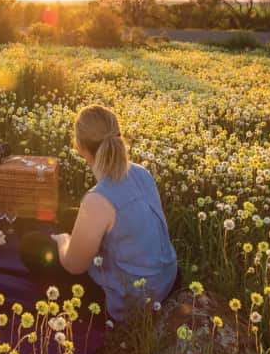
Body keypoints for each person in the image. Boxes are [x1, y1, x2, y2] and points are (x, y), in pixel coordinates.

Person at [51, 104, 178, 320]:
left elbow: (74, 266)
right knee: (68, 215)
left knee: (33, 245)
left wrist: (63, 240)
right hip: (167, 279)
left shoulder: (97, 199)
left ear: (79, 146)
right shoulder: (141, 172)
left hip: (133, 299)